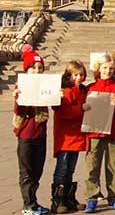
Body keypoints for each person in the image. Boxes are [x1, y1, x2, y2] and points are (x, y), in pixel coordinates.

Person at [84, 53, 115, 213]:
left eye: (111, 69)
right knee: (92, 165)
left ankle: (114, 196)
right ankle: (91, 197)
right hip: (94, 132)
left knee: (114, 165)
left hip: (114, 132)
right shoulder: (90, 88)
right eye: (105, 68)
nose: (108, 71)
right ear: (99, 69)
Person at [14, 48, 50, 215]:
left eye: (39, 68)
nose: (36, 71)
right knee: (27, 172)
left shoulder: (45, 86)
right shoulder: (20, 87)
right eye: (33, 67)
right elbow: (18, 110)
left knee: (38, 170)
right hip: (26, 135)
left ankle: (34, 202)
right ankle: (28, 205)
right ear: (26, 70)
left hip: (40, 134)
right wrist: (17, 98)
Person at [51, 60, 88, 213]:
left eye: (81, 75)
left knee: (70, 169)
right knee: (62, 168)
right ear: (69, 76)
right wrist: (81, 108)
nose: (79, 78)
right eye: (76, 75)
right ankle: (57, 200)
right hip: (66, 136)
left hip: (77, 135)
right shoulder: (65, 91)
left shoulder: (82, 91)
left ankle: (68, 198)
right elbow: (64, 112)